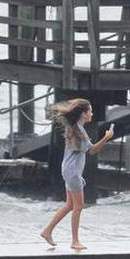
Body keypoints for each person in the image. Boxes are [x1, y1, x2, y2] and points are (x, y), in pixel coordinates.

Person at [40, 98, 114, 250]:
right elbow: (92, 150)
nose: (92, 114)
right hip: (72, 171)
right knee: (78, 207)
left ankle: (47, 231)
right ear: (83, 113)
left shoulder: (75, 127)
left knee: (69, 205)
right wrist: (106, 137)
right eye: (90, 111)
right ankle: (75, 241)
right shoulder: (79, 130)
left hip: (69, 169)